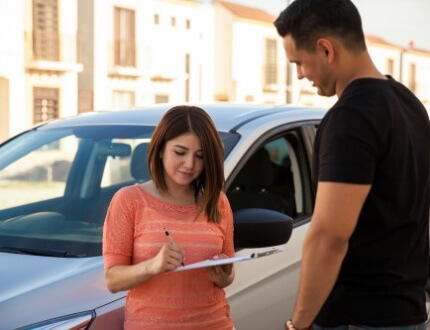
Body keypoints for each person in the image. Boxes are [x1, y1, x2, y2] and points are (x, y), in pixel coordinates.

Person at [274, 0, 430, 329]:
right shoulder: (408, 103)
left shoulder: (351, 117)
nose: (300, 74)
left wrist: (298, 324)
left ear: (326, 49)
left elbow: (330, 236)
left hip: (358, 317)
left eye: (299, 62)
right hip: (406, 312)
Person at [103, 105, 235, 329]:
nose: (190, 164)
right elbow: (113, 280)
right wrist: (153, 266)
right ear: (161, 148)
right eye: (180, 152)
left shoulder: (217, 201)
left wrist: (223, 276)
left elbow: (228, 275)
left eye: (200, 156)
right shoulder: (129, 201)